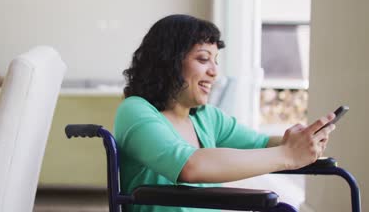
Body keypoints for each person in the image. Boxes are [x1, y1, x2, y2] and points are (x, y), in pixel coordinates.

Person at [114, 14, 336, 212]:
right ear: (168, 61)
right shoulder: (136, 110)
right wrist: (288, 155)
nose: (214, 72)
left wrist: (303, 141)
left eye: (215, 61)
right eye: (203, 59)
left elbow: (262, 143)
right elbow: (190, 166)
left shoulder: (205, 116)